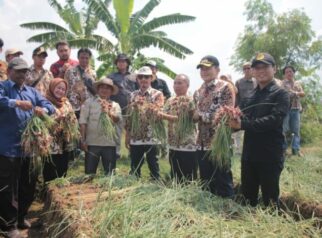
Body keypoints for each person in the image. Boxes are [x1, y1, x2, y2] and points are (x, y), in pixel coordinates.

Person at [0, 58, 55, 237]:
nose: (22, 74)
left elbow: (49, 106)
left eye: (24, 71)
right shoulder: (4, 87)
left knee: (28, 185)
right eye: (18, 71)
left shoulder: (32, 91)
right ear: (9, 72)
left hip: (29, 148)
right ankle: (8, 225)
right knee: (8, 188)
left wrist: (43, 110)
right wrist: (15, 103)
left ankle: (21, 216)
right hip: (7, 147)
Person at [229, 52, 290, 208]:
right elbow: (241, 118)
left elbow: (274, 121)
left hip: (270, 154)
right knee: (248, 198)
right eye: (257, 68)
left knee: (270, 199)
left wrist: (242, 125)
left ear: (274, 69)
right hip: (249, 154)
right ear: (253, 71)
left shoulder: (281, 94)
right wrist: (230, 122)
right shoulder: (250, 95)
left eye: (265, 67)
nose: (261, 71)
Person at [193, 55, 235, 198]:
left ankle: (227, 213)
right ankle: (208, 215)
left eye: (208, 68)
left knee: (223, 181)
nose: (204, 71)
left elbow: (225, 115)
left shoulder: (225, 87)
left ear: (217, 70)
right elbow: (195, 114)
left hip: (219, 143)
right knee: (206, 182)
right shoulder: (198, 91)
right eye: (202, 69)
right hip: (201, 144)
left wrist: (201, 116)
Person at [125, 66, 164, 180]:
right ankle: (133, 185)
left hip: (152, 135)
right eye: (141, 77)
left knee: (153, 163)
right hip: (136, 136)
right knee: (135, 165)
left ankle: (156, 185)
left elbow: (157, 111)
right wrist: (127, 135)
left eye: (146, 77)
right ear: (137, 79)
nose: (143, 79)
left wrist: (143, 105)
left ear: (151, 78)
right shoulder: (132, 95)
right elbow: (129, 117)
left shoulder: (157, 94)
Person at [158, 74, 197, 182]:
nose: (176, 85)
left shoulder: (191, 100)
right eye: (175, 83)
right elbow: (162, 113)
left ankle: (189, 194)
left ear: (187, 85)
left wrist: (163, 116)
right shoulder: (170, 100)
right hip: (173, 143)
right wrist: (154, 111)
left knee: (189, 174)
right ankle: (177, 193)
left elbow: (182, 118)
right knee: (175, 171)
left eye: (180, 83)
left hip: (188, 143)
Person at [79, 78, 121, 175]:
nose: (104, 90)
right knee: (89, 173)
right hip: (92, 143)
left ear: (111, 91)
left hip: (109, 144)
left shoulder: (115, 105)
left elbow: (117, 119)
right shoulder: (89, 102)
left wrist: (108, 112)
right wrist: (83, 140)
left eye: (108, 88)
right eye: (102, 87)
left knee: (110, 174)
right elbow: (83, 122)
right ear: (98, 89)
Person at [43, 78, 77, 182]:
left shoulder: (66, 102)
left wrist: (70, 123)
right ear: (52, 87)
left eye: (63, 89)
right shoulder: (44, 102)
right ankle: (47, 194)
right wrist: (57, 120)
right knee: (50, 172)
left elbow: (73, 118)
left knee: (62, 171)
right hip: (50, 144)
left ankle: (59, 194)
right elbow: (40, 121)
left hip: (64, 143)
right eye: (58, 88)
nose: (60, 91)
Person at [108, 53, 137, 161]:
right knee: (116, 133)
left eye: (123, 61)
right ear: (116, 63)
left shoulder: (134, 76)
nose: (121, 63)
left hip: (131, 109)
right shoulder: (111, 76)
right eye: (119, 61)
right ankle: (116, 154)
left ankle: (132, 154)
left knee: (133, 132)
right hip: (116, 109)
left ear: (127, 63)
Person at [65, 48, 96, 119]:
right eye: (82, 57)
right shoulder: (70, 71)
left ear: (89, 59)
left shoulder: (93, 73)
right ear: (78, 58)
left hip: (89, 107)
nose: (84, 60)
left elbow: (95, 89)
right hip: (74, 107)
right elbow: (66, 88)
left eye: (86, 58)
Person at [281, 65, 305, 156]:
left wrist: (296, 93)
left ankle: (296, 149)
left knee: (296, 131)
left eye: (290, 71)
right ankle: (284, 150)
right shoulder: (282, 84)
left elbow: (303, 93)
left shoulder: (297, 84)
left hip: (296, 109)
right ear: (284, 74)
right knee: (284, 130)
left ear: (293, 73)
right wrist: (292, 93)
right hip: (286, 109)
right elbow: (283, 94)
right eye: (287, 72)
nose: (289, 73)